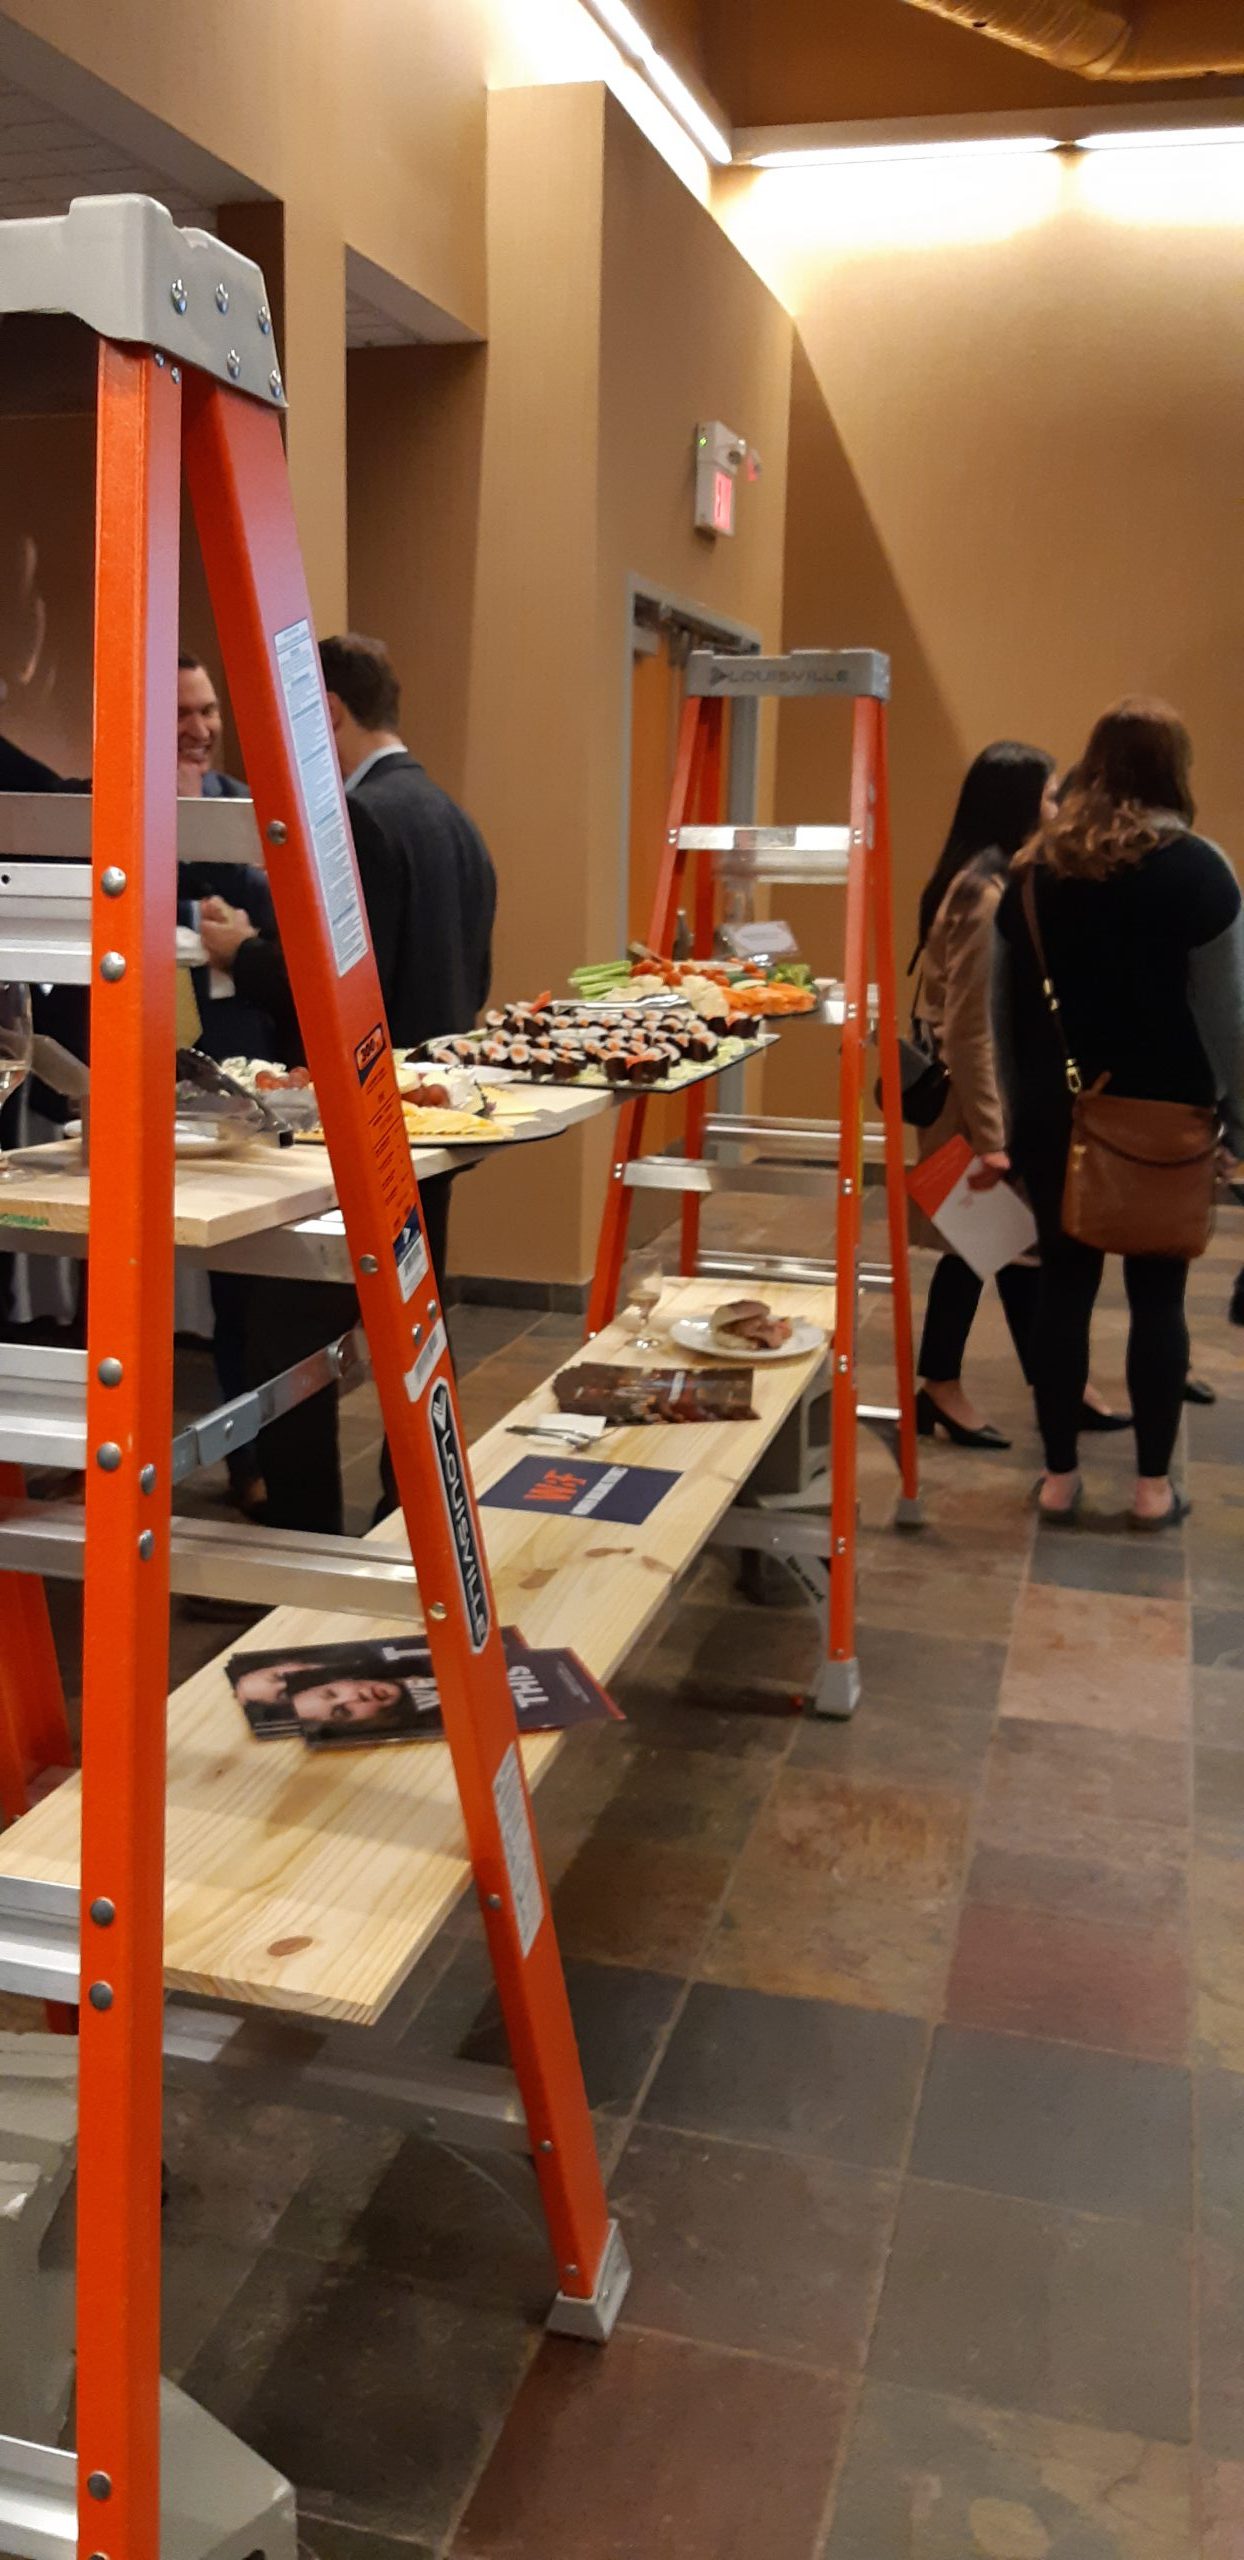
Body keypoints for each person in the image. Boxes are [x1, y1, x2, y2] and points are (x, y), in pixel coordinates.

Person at [199, 633, 497, 1534]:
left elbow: (335, 987)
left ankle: (305, 1544)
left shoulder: (361, 819)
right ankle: (417, 1521)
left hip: (356, 1132)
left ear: (326, 712)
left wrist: (241, 952)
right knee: (414, 1334)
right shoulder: (450, 815)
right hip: (428, 1124)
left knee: (288, 1344)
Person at [994, 697, 1244, 1528]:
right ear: (1176, 768)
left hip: (1057, 1109)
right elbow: (1226, 1016)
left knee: (1063, 1290)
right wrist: (1236, 1113)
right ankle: (1151, 1488)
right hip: (1165, 1115)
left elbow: (1002, 1012)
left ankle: (1059, 1478)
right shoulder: (1202, 872)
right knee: (1158, 1297)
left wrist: (1011, 1116)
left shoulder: (1034, 872)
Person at [912, 743, 1128, 1450]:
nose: (1058, 807)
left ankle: (1049, 1383)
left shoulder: (986, 877)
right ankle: (948, 1387)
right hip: (974, 1107)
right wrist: (994, 1138)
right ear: (1017, 802)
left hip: (982, 1102)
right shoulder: (984, 894)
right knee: (982, 1249)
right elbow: (971, 1028)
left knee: (1004, 1249)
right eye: (1049, 794)